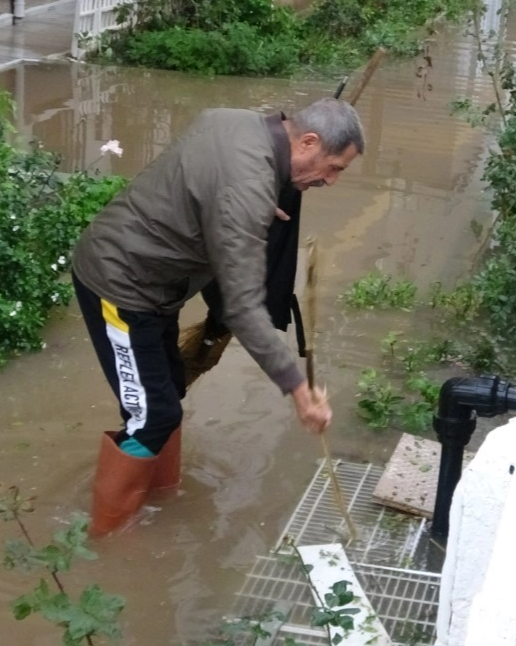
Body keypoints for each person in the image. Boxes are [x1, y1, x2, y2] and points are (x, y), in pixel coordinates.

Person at [72, 98, 365, 536]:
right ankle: (106, 538)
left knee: (166, 395)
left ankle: (157, 501)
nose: (331, 180)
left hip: (157, 283)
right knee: (153, 417)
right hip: (120, 285)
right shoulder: (246, 190)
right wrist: (298, 389)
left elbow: (214, 177)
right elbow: (243, 307)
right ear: (307, 140)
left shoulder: (239, 122)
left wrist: (252, 204)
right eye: (334, 167)